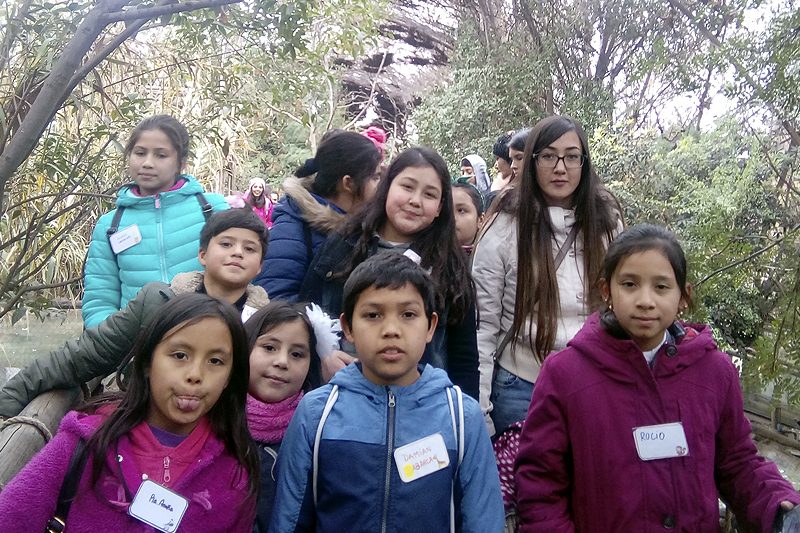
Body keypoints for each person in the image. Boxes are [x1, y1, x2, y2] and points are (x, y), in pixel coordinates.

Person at [514, 224, 800, 532]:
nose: (645, 300)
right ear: (606, 290)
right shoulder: (565, 375)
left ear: (683, 297)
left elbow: (737, 462)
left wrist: (777, 503)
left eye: (661, 287)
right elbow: (540, 485)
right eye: (629, 284)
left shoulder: (714, 373)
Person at [270, 254, 505, 532]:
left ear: (430, 326)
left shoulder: (462, 418)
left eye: (408, 315)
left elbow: (483, 520)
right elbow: (290, 518)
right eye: (373, 315)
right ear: (348, 328)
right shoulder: (317, 413)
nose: (391, 330)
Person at [0, 293, 259, 531]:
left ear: (229, 377)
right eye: (180, 355)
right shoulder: (84, 444)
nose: (195, 375)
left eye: (216, 361)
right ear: (147, 362)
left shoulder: (233, 474)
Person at [0, 209, 269, 418]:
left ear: (260, 266)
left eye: (249, 248)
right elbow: (88, 353)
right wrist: (10, 397)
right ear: (202, 254)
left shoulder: (266, 327)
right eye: (226, 244)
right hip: (142, 427)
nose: (237, 253)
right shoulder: (158, 302)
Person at [472, 115, 623, 437]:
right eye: (548, 156)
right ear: (532, 162)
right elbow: (483, 326)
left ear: (584, 163)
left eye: (571, 157)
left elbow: (619, 311)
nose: (560, 167)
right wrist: (480, 415)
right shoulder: (504, 226)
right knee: (524, 487)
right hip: (520, 387)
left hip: (592, 384)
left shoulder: (606, 225)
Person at [300, 147, 480, 399]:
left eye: (429, 194)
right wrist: (323, 354)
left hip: (424, 405)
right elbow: (306, 309)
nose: (415, 200)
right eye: (407, 187)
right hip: (344, 397)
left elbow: (464, 357)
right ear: (387, 188)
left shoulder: (449, 265)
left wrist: (463, 415)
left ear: (440, 208)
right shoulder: (343, 244)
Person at [82, 114, 229, 328]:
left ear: (181, 162)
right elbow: (99, 300)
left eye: (161, 155)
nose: (147, 163)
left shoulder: (212, 209)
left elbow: (244, 276)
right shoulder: (111, 225)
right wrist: (117, 344)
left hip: (208, 338)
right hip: (137, 346)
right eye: (140, 153)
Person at [254, 131, 382, 302]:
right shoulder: (292, 228)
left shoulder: (365, 228)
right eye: (375, 178)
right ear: (348, 183)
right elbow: (275, 301)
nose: (380, 187)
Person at [245, 301, 328, 532]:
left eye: (297, 354)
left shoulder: (318, 434)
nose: (282, 362)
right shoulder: (214, 423)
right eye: (269, 347)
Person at [452, 182, 485, 255]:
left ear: (480, 220)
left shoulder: (493, 257)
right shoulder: (427, 259)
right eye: (447, 210)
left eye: (461, 210)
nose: (452, 218)